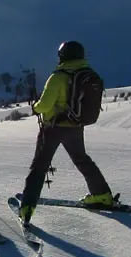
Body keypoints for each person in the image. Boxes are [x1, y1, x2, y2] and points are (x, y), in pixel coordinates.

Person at [18, 41, 113, 225]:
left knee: (39, 166)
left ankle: (27, 207)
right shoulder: (87, 74)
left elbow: (45, 104)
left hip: (53, 127)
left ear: (62, 56)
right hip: (75, 126)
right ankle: (102, 195)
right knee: (82, 159)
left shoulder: (58, 77)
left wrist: (36, 108)